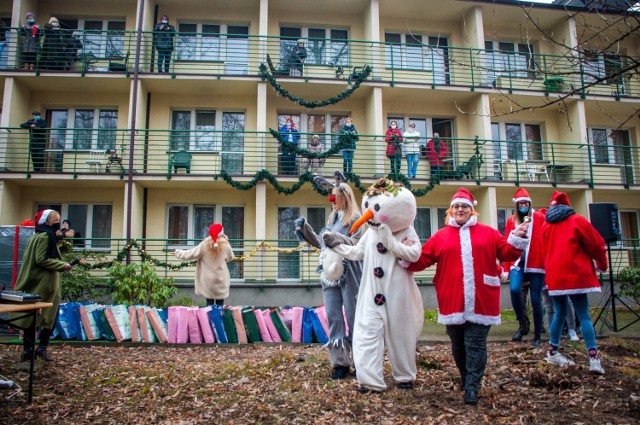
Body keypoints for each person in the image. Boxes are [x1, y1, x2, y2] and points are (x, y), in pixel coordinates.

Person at [407, 188, 529, 405]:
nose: (460, 209)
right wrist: (403, 252)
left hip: (482, 299)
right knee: (458, 345)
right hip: (451, 300)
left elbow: (507, 253)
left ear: (472, 210)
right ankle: (466, 378)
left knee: (475, 344)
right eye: (456, 206)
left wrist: (517, 238)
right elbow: (421, 261)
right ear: (451, 211)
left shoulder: (489, 233)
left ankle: (472, 387)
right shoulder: (440, 236)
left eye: (464, 206)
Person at [324, 178, 424, 393]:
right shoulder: (369, 232)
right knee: (366, 332)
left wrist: (390, 240)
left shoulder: (406, 231)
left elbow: (414, 254)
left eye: (376, 208)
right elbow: (356, 252)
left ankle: (405, 375)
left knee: (400, 334)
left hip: (397, 291)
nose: (370, 213)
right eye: (368, 207)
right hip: (371, 292)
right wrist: (337, 246)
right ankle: (369, 380)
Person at [295, 173, 363, 379]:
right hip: (329, 273)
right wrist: (306, 231)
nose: (331, 200)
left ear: (344, 196)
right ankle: (340, 363)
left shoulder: (357, 220)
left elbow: (358, 245)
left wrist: (337, 238)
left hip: (349, 273)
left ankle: (362, 363)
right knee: (333, 317)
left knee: (354, 318)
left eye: (334, 196)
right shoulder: (332, 218)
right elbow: (323, 243)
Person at [541, 191, 607, 374]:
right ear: (568, 206)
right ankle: (593, 359)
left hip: (555, 276)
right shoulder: (577, 221)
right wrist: (602, 264)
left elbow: (543, 251)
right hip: (576, 275)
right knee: (583, 315)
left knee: (559, 313)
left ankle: (552, 352)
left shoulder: (546, 225)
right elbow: (596, 244)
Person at [13, 209, 74, 362]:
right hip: (44, 283)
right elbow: (42, 259)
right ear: (47, 221)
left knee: (32, 317)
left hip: (36, 281)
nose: (58, 223)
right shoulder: (46, 237)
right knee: (48, 317)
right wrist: (62, 265)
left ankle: (28, 350)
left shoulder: (37, 235)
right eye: (55, 219)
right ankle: (40, 349)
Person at [502, 188, 547, 346]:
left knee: (536, 298)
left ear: (530, 204)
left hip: (536, 262)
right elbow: (507, 244)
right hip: (517, 262)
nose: (523, 206)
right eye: (520, 203)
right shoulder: (511, 220)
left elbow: (546, 238)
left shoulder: (540, 218)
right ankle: (523, 324)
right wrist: (506, 268)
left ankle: (537, 335)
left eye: (525, 203)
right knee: (514, 290)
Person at [174, 223, 234, 306]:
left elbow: (190, 254)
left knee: (209, 304)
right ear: (221, 233)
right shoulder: (226, 245)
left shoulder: (204, 245)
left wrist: (177, 252)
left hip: (207, 280)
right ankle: (219, 317)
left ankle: (209, 318)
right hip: (221, 279)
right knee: (220, 304)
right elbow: (230, 258)